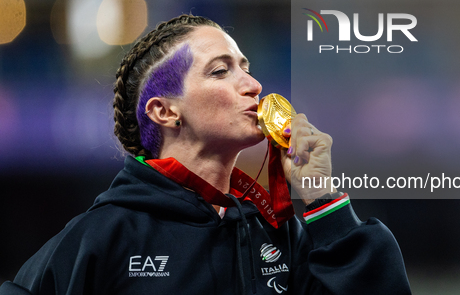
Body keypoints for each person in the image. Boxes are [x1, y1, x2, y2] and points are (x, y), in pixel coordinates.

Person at [0, 15, 411, 294]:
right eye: (221, 70)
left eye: (245, 67)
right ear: (164, 111)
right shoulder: (104, 235)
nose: (252, 83)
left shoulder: (277, 231)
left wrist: (322, 198)